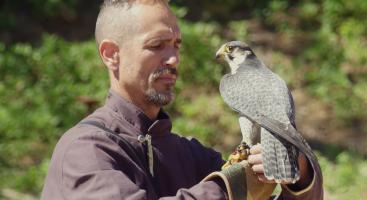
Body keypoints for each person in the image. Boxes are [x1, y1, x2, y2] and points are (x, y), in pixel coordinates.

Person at [41, 0, 323, 199]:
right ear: (111, 54)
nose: (174, 58)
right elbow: (234, 190)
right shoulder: (86, 151)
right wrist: (230, 189)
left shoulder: (190, 156)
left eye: (176, 45)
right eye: (157, 45)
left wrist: (299, 174)